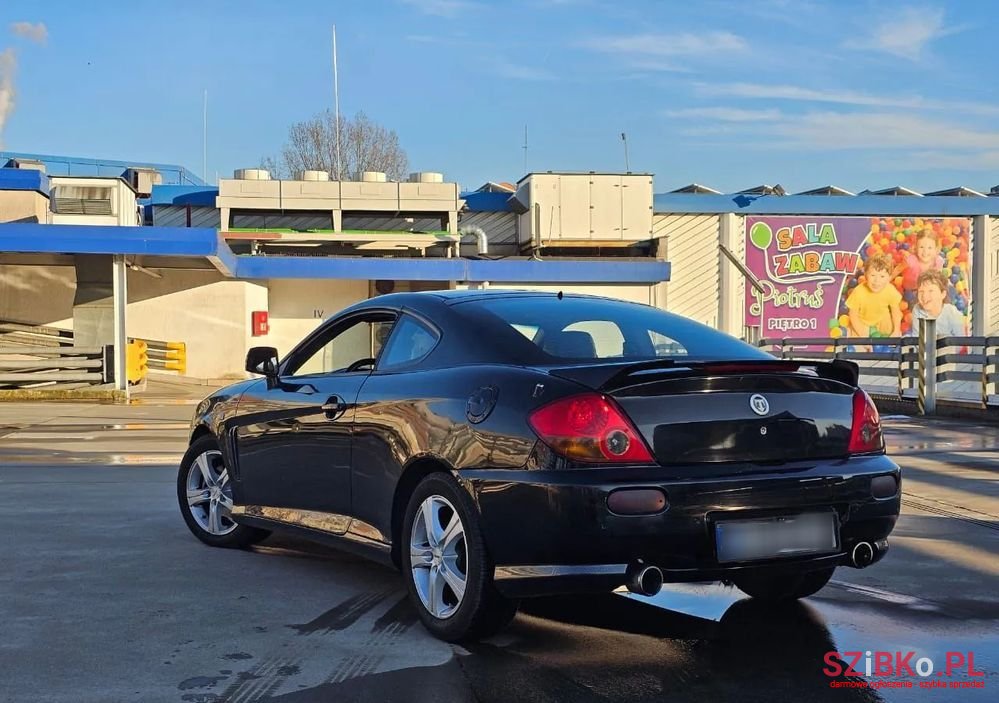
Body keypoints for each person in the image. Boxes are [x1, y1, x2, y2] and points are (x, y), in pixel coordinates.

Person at [846, 253, 902, 339]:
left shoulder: (890, 290)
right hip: (863, 321)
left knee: (893, 334)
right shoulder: (858, 291)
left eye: (882, 276)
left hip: (882, 320)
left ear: (889, 277)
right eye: (873, 275)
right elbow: (853, 315)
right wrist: (862, 334)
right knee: (854, 336)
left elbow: (896, 312)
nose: (877, 281)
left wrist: (896, 330)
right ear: (865, 275)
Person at [912, 270, 966, 337]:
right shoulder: (917, 310)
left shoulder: (952, 313)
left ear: (943, 294)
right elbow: (918, 340)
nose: (924, 296)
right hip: (927, 346)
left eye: (930, 291)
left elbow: (961, 342)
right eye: (921, 291)